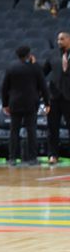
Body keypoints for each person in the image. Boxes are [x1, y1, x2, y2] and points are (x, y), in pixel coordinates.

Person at [2, 46, 50, 166]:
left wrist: (5, 104)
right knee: (31, 131)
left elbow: (4, 88)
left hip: (15, 103)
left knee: (14, 131)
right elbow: (43, 87)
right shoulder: (36, 68)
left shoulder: (11, 68)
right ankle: (32, 158)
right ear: (29, 55)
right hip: (31, 103)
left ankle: (12, 158)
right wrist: (47, 102)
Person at [44, 32, 70, 165]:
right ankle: (53, 155)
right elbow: (43, 73)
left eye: (62, 39)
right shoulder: (52, 55)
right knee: (52, 128)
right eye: (58, 39)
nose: (59, 41)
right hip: (54, 97)